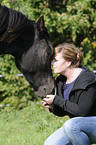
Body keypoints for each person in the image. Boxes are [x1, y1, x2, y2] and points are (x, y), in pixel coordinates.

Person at [41, 43, 96, 145]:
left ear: (68, 62)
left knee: (71, 125)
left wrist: (57, 100)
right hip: (77, 125)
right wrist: (53, 106)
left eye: (56, 60)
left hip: (91, 123)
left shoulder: (88, 79)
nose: (52, 63)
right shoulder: (61, 81)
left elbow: (82, 111)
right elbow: (65, 111)